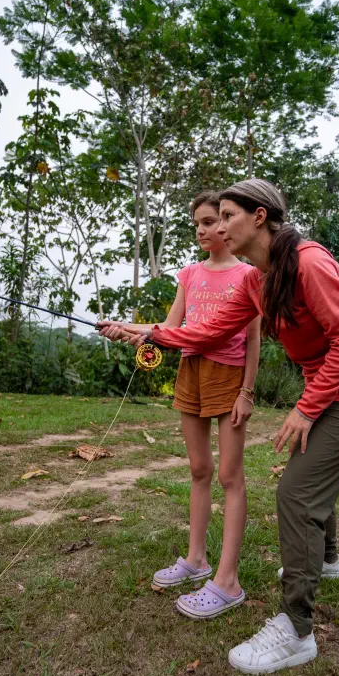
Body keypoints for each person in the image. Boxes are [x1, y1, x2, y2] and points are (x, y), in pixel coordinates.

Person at [98, 178, 339, 674]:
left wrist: (305, 408)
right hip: (328, 388)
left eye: (228, 214)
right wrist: (148, 331)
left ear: (259, 217)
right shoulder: (258, 280)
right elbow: (208, 330)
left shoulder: (310, 264)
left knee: (296, 495)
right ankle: (328, 560)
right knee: (308, 474)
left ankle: (296, 630)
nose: (220, 224)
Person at [101, 191, 260, 620]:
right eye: (198, 225)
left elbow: (253, 340)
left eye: (210, 221)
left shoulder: (249, 275)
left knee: (229, 474)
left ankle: (227, 578)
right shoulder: (189, 274)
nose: (203, 230)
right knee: (198, 469)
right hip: (191, 370)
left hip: (228, 377)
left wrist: (247, 391)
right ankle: (196, 560)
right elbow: (170, 328)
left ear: (227, 225)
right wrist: (123, 327)